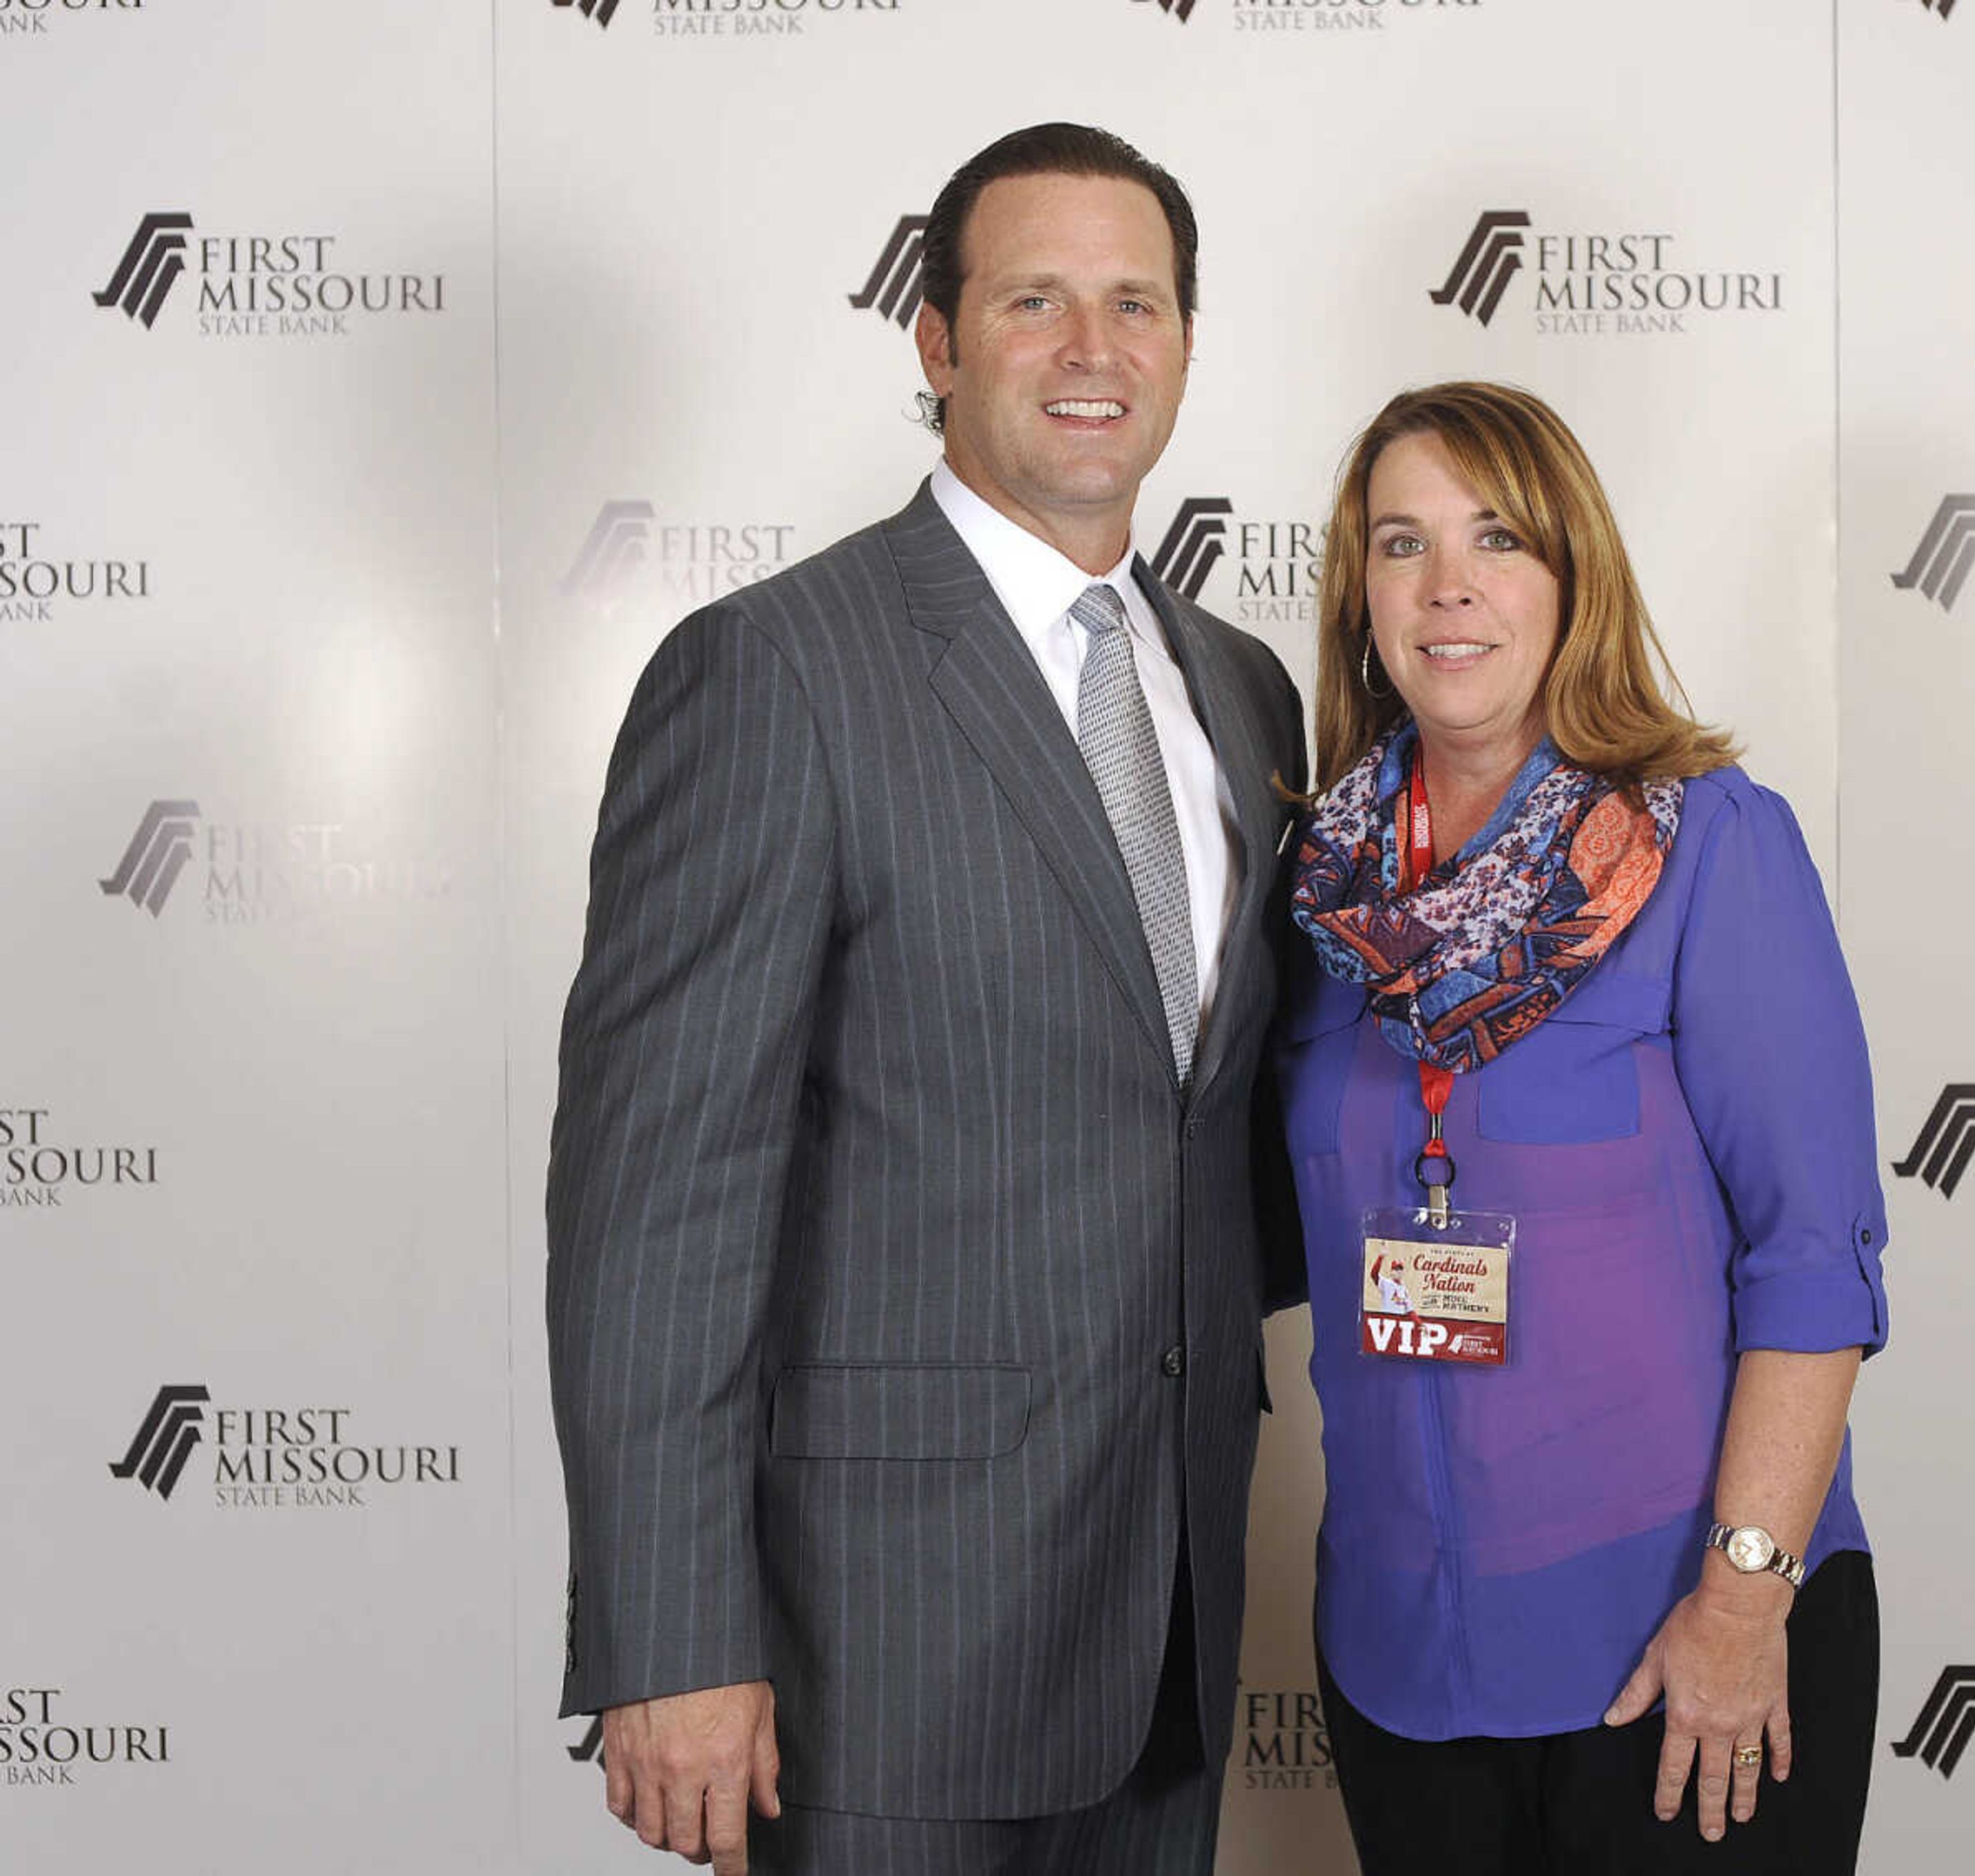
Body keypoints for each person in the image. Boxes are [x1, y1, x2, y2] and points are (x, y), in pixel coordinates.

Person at [545, 124, 1307, 1876]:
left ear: (1188, 341)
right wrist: (672, 1642)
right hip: (874, 1655)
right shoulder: (773, 673)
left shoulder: (1248, 693)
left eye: (1137, 304)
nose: (1092, 349)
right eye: (1034, 300)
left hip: (1176, 1628)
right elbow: (656, 1204)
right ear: (938, 342)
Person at [1275, 382, 1889, 1873]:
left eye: (1497, 538)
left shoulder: (1708, 843)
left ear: (1574, 575)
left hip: (1677, 1644)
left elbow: (1815, 1260)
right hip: (1397, 1660)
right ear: (1361, 595)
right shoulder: (1320, 891)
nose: (1450, 586)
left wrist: (1746, 1601)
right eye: (1401, 543)